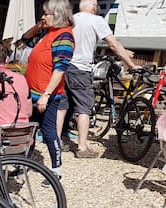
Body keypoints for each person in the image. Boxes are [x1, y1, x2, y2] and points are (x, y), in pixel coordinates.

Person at [57, 0, 142, 158]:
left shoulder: (71, 19)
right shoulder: (96, 20)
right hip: (81, 69)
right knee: (84, 108)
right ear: (94, 7)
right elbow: (113, 44)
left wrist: (123, 50)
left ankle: (56, 143)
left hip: (63, 67)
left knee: (62, 106)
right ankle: (82, 148)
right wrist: (130, 64)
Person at [22, 0, 75, 181]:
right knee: (28, 131)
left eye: (46, 14)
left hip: (47, 96)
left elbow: (60, 69)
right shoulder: (47, 32)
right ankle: (25, 164)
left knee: (49, 132)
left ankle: (56, 170)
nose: (43, 17)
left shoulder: (64, 36)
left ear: (58, 14)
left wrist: (45, 95)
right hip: (32, 93)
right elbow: (25, 39)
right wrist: (39, 26)